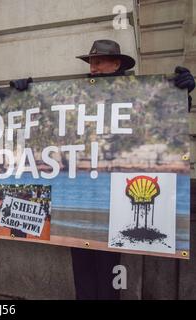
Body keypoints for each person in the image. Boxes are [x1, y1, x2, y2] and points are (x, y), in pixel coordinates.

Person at [10, 39, 195, 300]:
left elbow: (163, 122)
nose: (93, 68)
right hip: (80, 195)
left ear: (116, 63)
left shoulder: (138, 93)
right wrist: (23, 96)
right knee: (82, 266)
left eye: (99, 62)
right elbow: (46, 119)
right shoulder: (77, 94)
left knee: (110, 270)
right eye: (91, 63)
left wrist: (179, 95)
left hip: (118, 198)